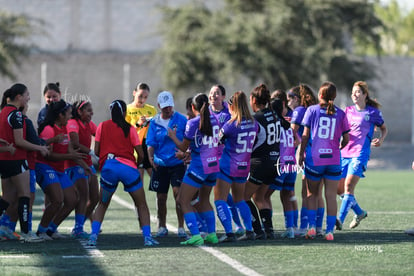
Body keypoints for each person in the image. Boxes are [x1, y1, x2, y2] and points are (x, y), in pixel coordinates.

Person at [87, 100, 158, 247]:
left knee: (102, 204)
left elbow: (98, 152)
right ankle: (147, 238)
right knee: (142, 204)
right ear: (125, 113)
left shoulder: (102, 126)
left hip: (108, 169)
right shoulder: (130, 128)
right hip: (128, 169)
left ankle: (93, 237)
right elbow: (140, 153)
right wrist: (136, 164)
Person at [298, 81, 350, 241]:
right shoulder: (341, 113)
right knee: (330, 197)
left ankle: (312, 228)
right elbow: (346, 139)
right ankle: (329, 232)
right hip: (334, 160)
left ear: (320, 95)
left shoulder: (311, 110)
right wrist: (338, 147)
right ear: (334, 96)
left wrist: (300, 155)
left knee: (312, 195)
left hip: (315, 160)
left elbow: (305, 135)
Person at [168, 93, 220, 245]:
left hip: (199, 166)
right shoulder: (215, 120)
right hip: (213, 166)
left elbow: (183, 146)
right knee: (204, 200)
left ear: (193, 107)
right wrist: (189, 153)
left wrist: (172, 135)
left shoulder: (193, 122)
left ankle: (196, 235)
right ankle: (212, 234)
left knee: (182, 200)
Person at [0, 83, 49, 242]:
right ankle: (27, 233)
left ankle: (6, 228)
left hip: (4, 160)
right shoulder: (16, 115)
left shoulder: (2, 112)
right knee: (24, 195)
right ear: (19, 97)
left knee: (7, 197)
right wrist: (39, 148)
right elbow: (19, 141)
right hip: (16, 160)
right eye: (27, 95)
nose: (28, 98)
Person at [337, 81, 387, 230]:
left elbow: (384, 129)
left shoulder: (373, 113)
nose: (354, 94)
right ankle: (359, 213)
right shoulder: (347, 111)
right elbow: (342, 130)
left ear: (365, 95)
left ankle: (339, 220)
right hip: (344, 152)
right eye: (353, 92)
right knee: (339, 189)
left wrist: (381, 139)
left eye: (358, 91)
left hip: (360, 154)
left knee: (348, 187)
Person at [36, 99, 88, 240]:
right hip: (45, 167)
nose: (71, 117)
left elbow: (70, 149)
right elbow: (49, 156)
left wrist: (84, 165)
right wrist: (70, 155)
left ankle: (51, 230)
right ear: (60, 115)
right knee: (57, 200)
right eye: (69, 114)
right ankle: (41, 231)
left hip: (58, 169)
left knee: (72, 200)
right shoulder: (49, 129)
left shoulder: (64, 128)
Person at [214, 91, 258, 242]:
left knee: (219, 200)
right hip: (243, 167)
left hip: (227, 167)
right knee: (240, 200)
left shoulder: (231, 125)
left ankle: (229, 233)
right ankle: (250, 231)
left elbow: (216, 142)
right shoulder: (254, 124)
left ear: (232, 106)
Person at [244, 84, 284, 240]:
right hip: (275, 162)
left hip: (260, 163)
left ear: (254, 100)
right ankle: (269, 230)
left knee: (242, 197)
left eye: (250, 100)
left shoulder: (257, 118)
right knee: (260, 197)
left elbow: (250, 142)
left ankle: (257, 230)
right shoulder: (274, 115)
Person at [146, 91, 187, 237]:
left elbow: (187, 141)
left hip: (177, 163)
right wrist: (150, 157)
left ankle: (181, 227)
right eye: (164, 107)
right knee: (161, 197)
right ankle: (162, 226)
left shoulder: (182, 120)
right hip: (160, 164)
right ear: (159, 106)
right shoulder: (154, 122)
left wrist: (185, 154)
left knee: (178, 194)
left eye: (169, 106)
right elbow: (150, 142)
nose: (168, 109)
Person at [209, 84, 244, 235]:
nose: (213, 96)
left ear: (223, 96)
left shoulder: (229, 113)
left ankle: (233, 228)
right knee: (225, 196)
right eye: (211, 93)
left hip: (225, 159)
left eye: (217, 93)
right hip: (207, 157)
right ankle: (238, 226)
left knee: (221, 195)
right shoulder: (206, 112)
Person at [267, 90, 300, 239]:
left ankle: (266, 226)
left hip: (281, 165)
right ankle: (290, 228)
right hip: (291, 164)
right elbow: (298, 141)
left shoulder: (276, 125)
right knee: (286, 195)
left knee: (263, 195)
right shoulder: (288, 123)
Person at [288, 84, 321, 236]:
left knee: (306, 193)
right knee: (318, 194)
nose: (288, 103)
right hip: (322, 153)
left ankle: (303, 227)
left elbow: (292, 131)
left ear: (296, 99)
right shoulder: (315, 108)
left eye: (289, 99)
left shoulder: (299, 110)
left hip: (308, 153)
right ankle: (319, 227)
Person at [66, 100, 99, 238]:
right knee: (83, 195)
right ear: (79, 112)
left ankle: (79, 225)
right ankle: (78, 228)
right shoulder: (73, 123)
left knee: (95, 198)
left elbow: (99, 136)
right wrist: (92, 152)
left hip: (87, 163)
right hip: (74, 163)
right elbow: (75, 144)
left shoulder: (89, 124)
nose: (92, 113)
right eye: (88, 110)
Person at [126, 83, 157, 184]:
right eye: (140, 96)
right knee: (139, 182)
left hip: (149, 146)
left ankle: (160, 200)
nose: (142, 100)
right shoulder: (127, 109)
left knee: (157, 180)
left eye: (145, 97)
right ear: (134, 93)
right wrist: (138, 124)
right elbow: (125, 131)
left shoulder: (151, 110)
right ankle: (139, 200)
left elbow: (157, 128)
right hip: (136, 147)